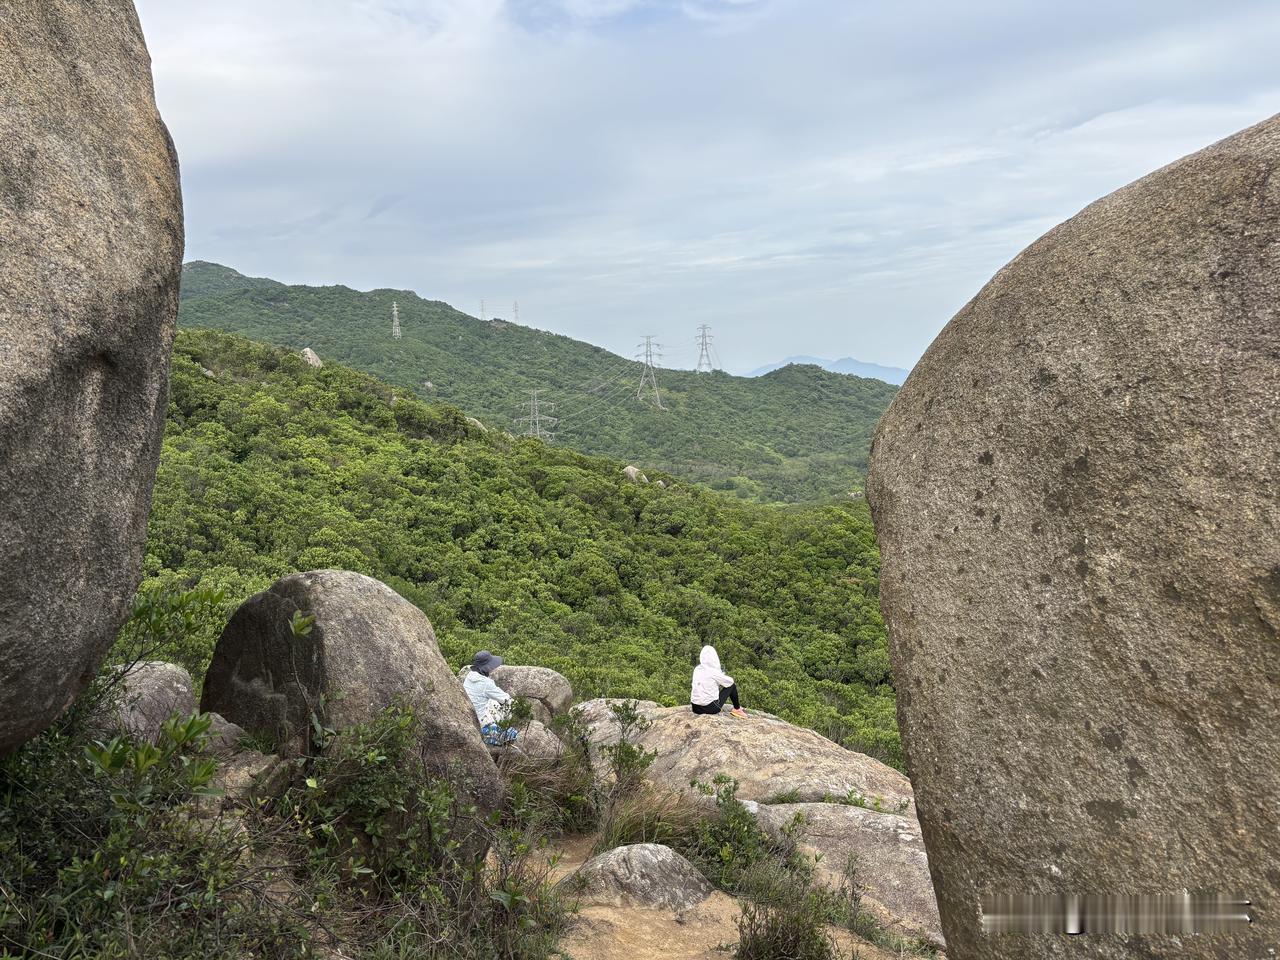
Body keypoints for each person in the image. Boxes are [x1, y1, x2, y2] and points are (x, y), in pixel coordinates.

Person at [464, 650, 519, 746]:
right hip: (482, 727)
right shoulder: (486, 683)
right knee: (513, 734)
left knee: (492, 701)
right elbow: (507, 700)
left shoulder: (469, 677)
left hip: (471, 719)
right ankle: (491, 738)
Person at [690, 644, 747, 717]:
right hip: (710, 708)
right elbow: (730, 681)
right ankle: (737, 709)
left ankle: (737, 709)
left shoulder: (697, 669)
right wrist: (721, 675)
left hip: (695, 708)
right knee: (732, 685)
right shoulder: (713, 672)